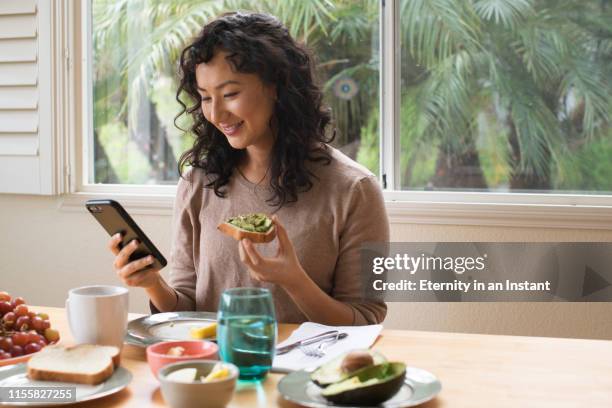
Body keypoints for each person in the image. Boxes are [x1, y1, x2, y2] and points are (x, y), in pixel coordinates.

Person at [108, 11, 389, 325]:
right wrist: (152, 284)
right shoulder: (198, 182)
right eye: (204, 97)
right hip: (215, 371)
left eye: (230, 94)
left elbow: (366, 317)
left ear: (276, 86)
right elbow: (188, 308)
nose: (216, 114)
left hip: (304, 372)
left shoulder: (354, 189)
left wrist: (295, 281)